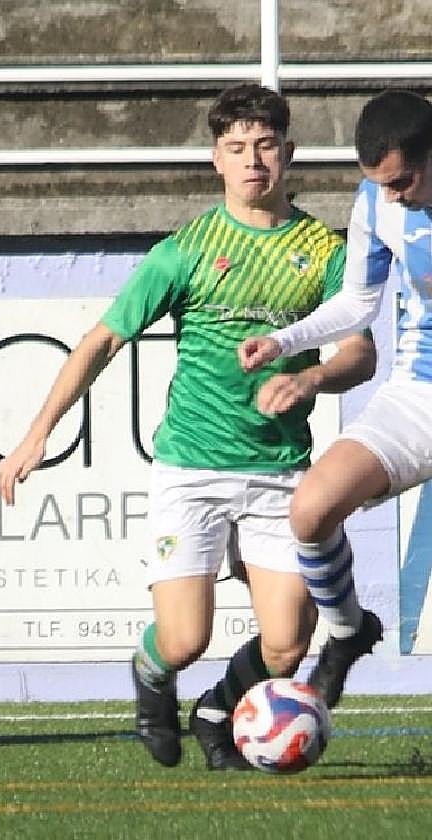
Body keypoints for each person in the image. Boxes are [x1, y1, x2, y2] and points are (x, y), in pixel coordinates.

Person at [0, 84, 376, 770]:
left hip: (280, 470)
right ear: (216, 160)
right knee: (183, 640)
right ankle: (152, 677)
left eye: (264, 146)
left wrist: (311, 378)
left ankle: (216, 709)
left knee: (288, 644)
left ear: (288, 153)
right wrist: (36, 433)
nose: (253, 160)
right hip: (192, 470)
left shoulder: (323, 250)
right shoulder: (188, 249)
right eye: (237, 148)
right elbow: (101, 342)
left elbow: (358, 351)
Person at [238, 89, 432, 707]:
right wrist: (284, 340)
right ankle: (348, 631)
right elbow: (357, 301)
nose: (392, 195)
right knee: (311, 511)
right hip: (420, 395)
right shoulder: (380, 200)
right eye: (381, 183)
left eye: (401, 180)